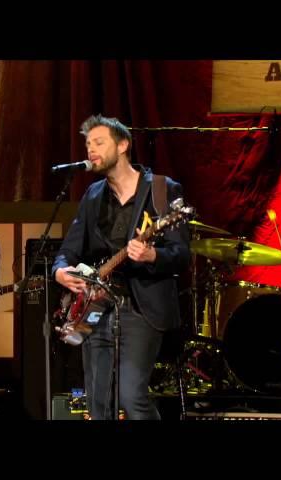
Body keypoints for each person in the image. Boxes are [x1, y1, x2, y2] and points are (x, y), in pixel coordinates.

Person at [52, 114, 190, 420]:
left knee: (132, 396)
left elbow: (181, 254)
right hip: (95, 307)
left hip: (140, 309)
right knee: (98, 403)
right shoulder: (92, 195)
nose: (91, 150)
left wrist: (153, 256)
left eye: (99, 142)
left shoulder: (162, 190)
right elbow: (68, 250)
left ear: (124, 145)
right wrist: (60, 271)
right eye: (88, 144)